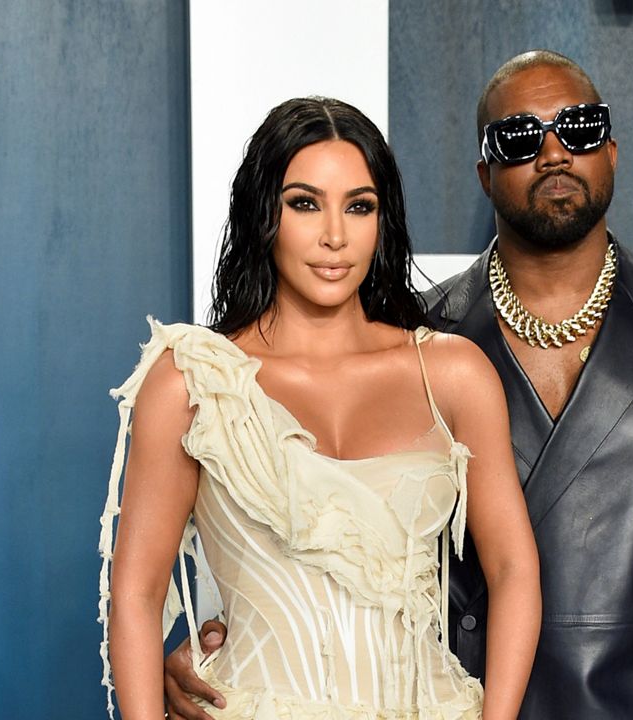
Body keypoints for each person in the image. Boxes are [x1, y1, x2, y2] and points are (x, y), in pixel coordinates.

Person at [167, 51, 633, 719]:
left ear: (611, 149)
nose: (554, 153)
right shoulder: (417, 344)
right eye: (521, 138)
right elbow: (322, 535)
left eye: (578, 128)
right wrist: (220, 647)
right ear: (485, 173)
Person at [98, 97, 540, 720]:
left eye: (359, 206)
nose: (335, 235)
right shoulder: (193, 382)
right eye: (305, 203)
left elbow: (514, 567)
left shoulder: (452, 374)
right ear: (263, 214)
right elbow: (137, 595)